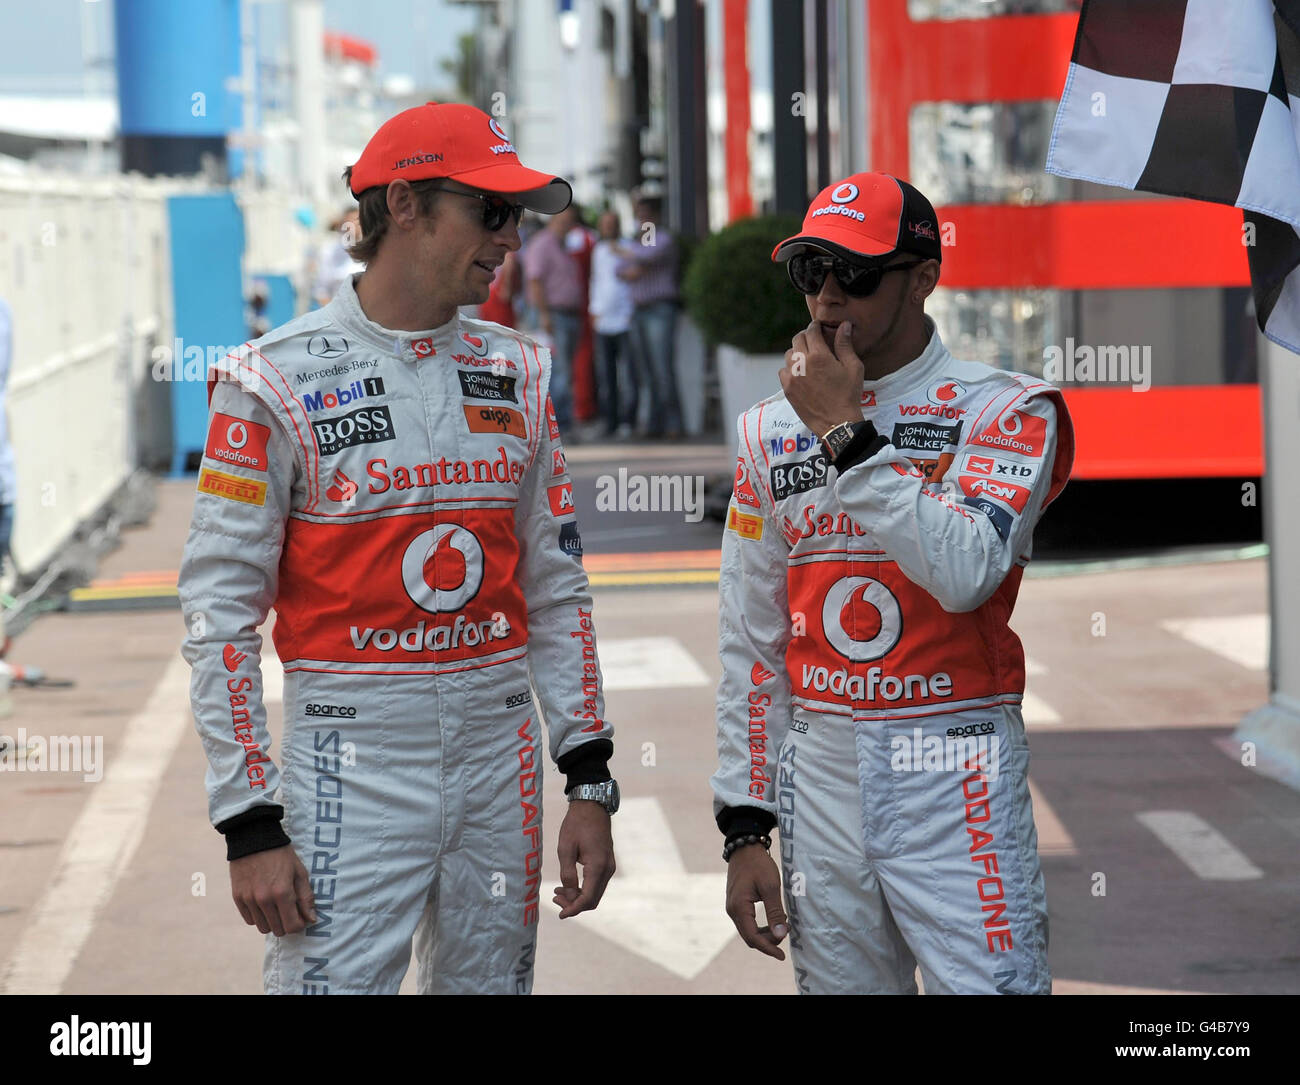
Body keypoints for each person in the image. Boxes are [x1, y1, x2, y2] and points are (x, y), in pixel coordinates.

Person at [179, 101, 620, 996]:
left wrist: (590, 775)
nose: (511, 237)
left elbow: (557, 587)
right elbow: (217, 615)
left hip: (502, 757)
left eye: (519, 215)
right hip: (350, 763)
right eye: (491, 212)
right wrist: (249, 821)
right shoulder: (272, 379)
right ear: (407, 204)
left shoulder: (520, 369)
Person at [712, 172, 1074, 995]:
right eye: (813, 272)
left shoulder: (1008, 410)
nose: (830, 297)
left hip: (955, 765)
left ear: (923, 277)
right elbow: (749, 637)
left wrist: (845, 434)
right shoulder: (768, 429)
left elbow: (964, 573)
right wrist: (744, 825)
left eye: (858, 274)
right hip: (821, 774)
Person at [618, 195, 682, 439]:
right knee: (644, 372)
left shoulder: (662, 238)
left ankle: (673, 423)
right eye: (639, 214)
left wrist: (634, 260)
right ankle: (654, 424)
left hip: (659, 308)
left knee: (663, 369)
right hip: (639, 310)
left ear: (655, 215)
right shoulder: (637, 242)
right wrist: (634, 261)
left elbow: (648, 256)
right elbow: (619, 268)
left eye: (645, 214)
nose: (641, 219)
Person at [523, 202, 586, 430]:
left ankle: (562, 423)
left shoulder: (563, 245)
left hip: (568, 315)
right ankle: (560, 426)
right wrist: (544, 315)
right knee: (558, 371)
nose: (567, 226)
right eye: (563, 222)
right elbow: (535, 281)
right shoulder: (542, 244)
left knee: (564, 371)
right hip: (553, 315)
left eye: (570, 222)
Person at [588, 210, 638, 438]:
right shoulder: (598, 250)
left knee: (628, 373)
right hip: (603, 320)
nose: (608, 228)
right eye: (604, 224)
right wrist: (594, 310)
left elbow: (638, 267)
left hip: (625, 318)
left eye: (612, 224)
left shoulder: (629, 246)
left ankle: (629, 420)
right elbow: (596, 280)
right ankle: (610, 421)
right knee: (606, 375)